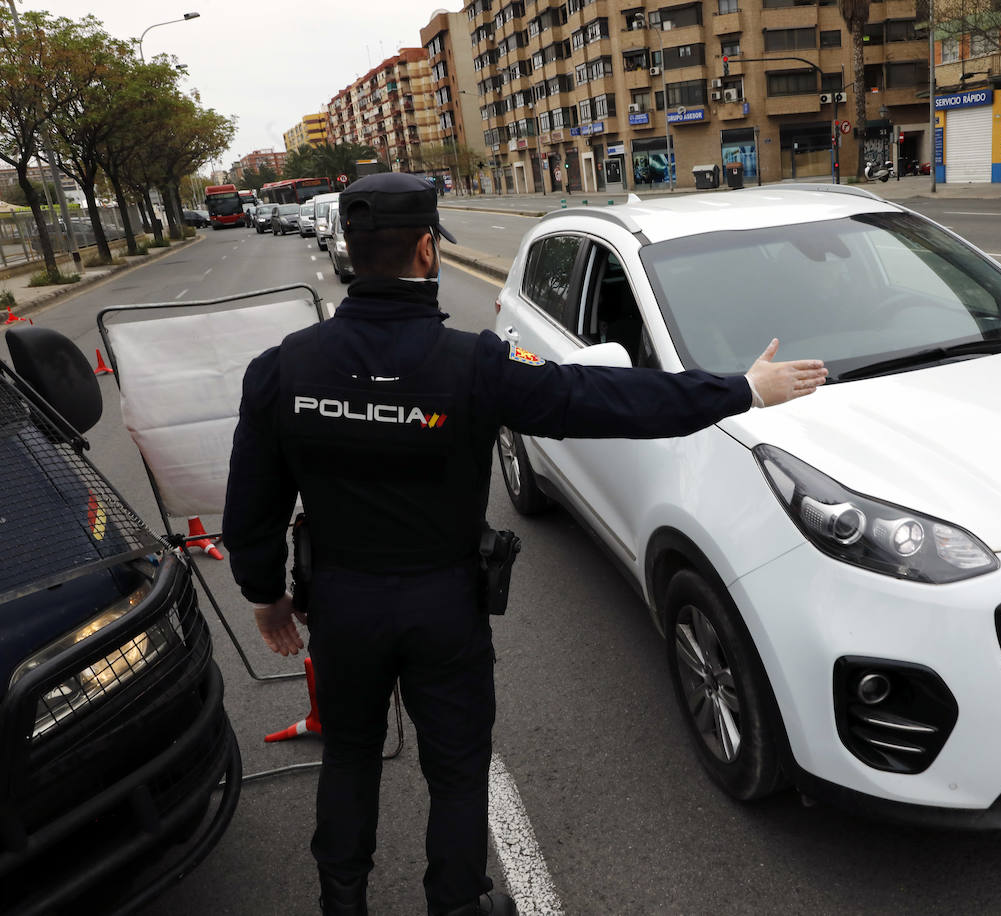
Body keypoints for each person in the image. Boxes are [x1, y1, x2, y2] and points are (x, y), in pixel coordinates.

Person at [221, 172, 827, 916]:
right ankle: (456, 905)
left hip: (343, 607)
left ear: (351, 249)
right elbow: (599, 400)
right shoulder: (472, 364)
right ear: (423, 249)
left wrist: (265, 595)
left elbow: (251, 505)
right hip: (444, 608)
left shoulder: (283, 369)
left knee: (349, 753)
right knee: (456, 766)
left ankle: (340, 903)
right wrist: (741, 389)